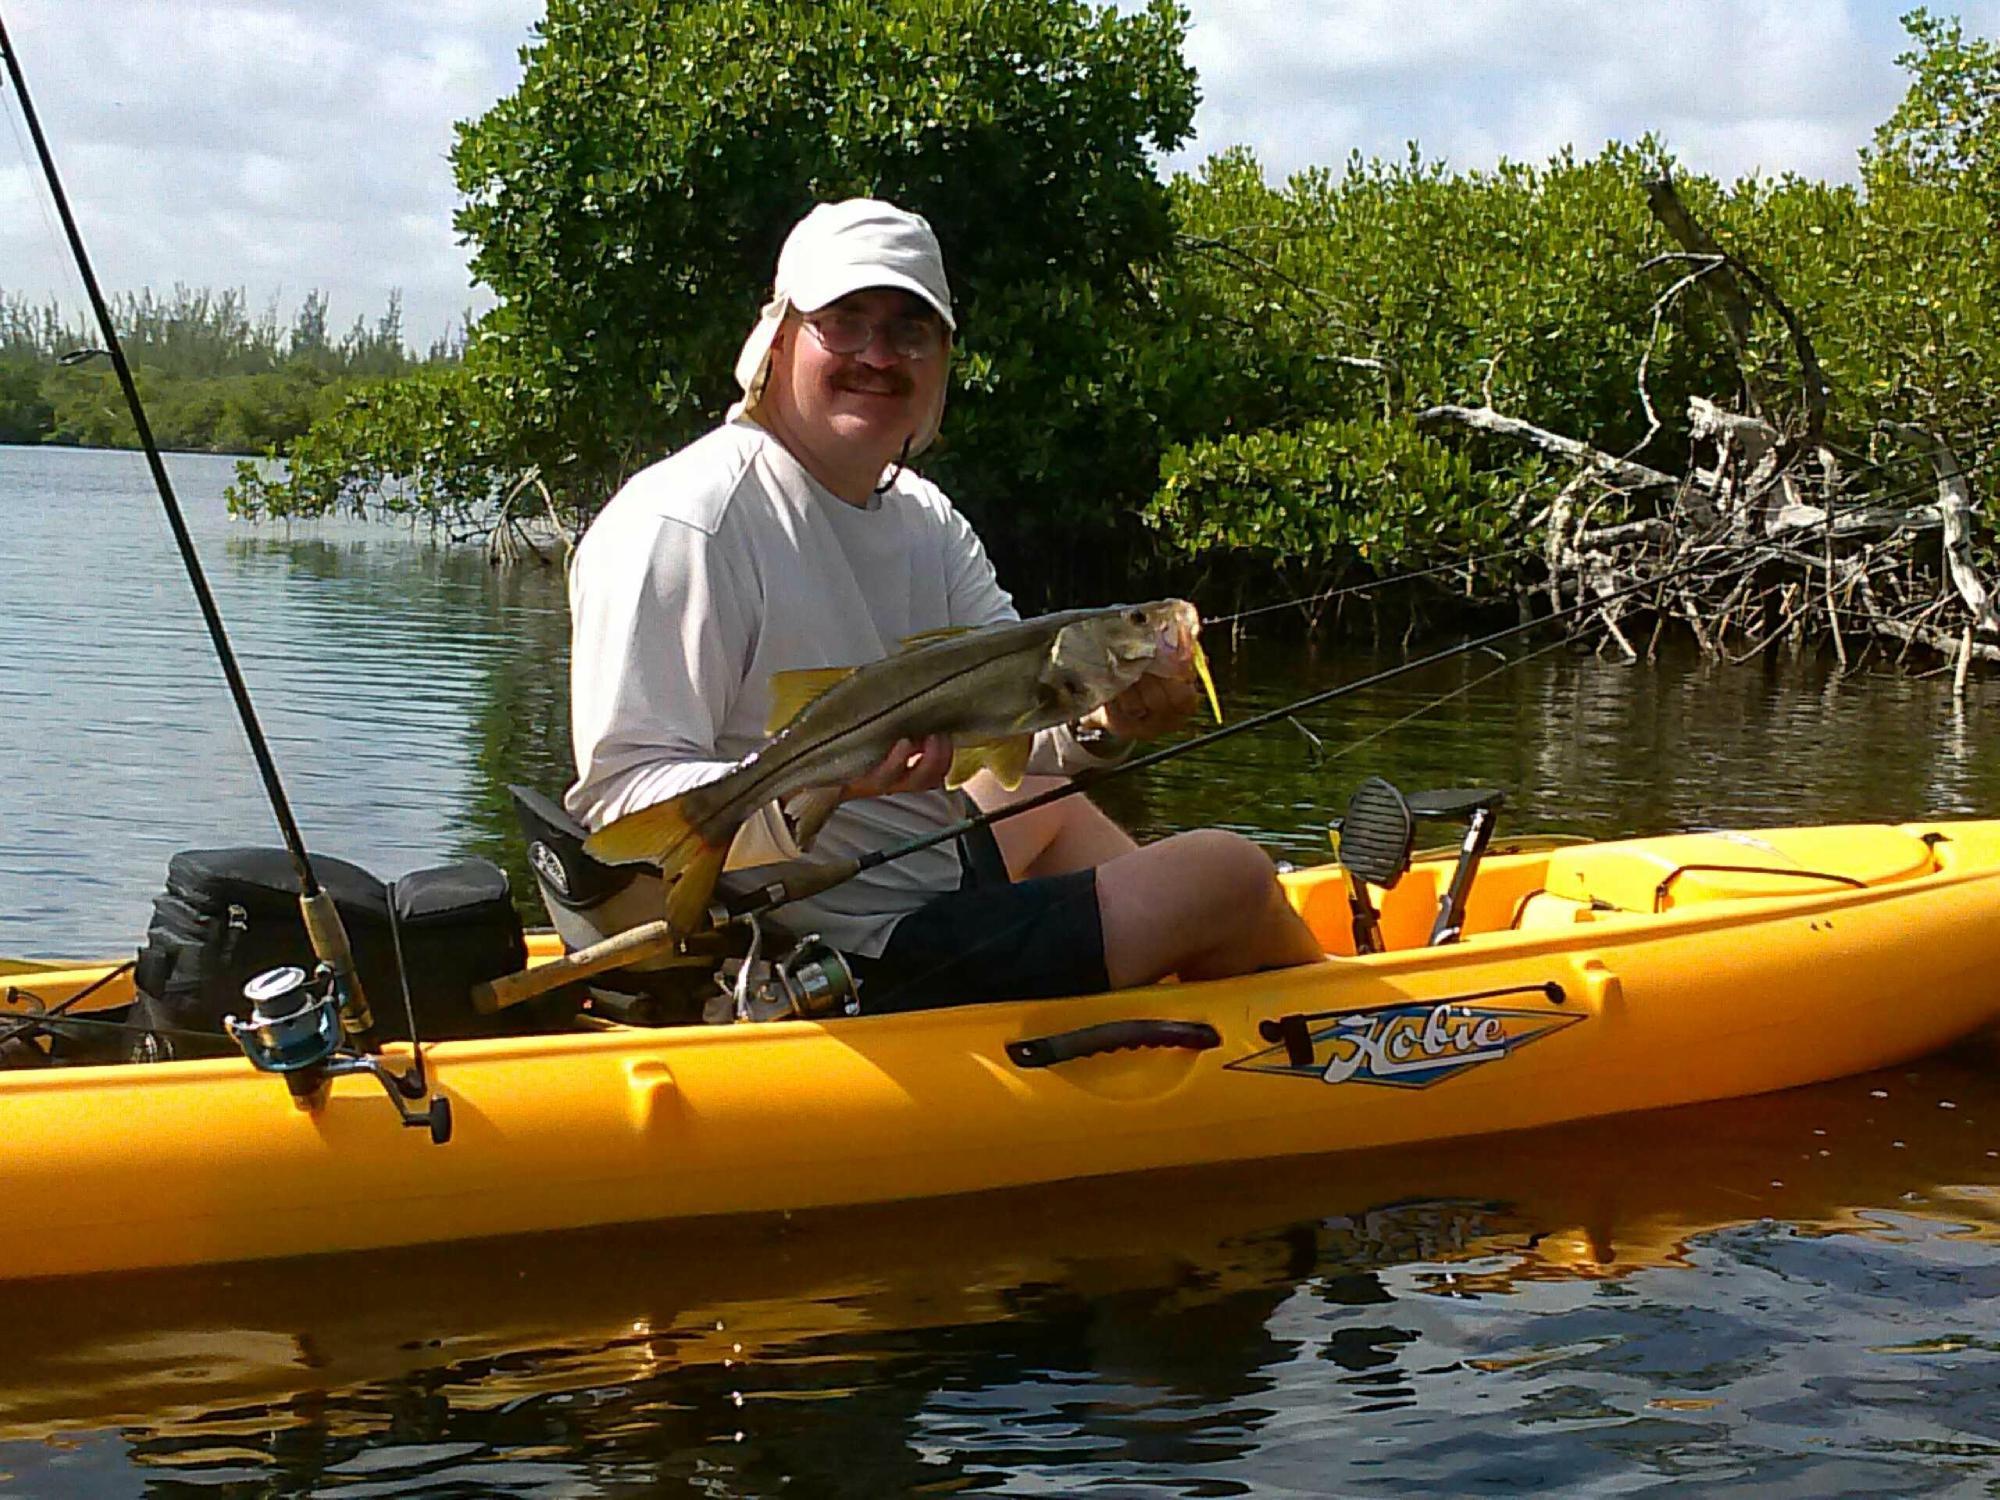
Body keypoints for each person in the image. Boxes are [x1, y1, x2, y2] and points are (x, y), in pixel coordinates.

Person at [566, 198, 1322, 1012]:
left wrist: (1107, 726)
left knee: (1040, 799)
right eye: (844, 322)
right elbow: (624, 794)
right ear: (779, 337)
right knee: (1230, 873)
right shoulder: (687, 520)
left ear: (941, 357)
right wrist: (825, 787)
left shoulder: (925, 516)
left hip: (920, 878)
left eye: (909, 330)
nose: (878, 356)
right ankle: (1341, 1030)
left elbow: (1023, 727)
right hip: (831, 950)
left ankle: (1218, 1018)